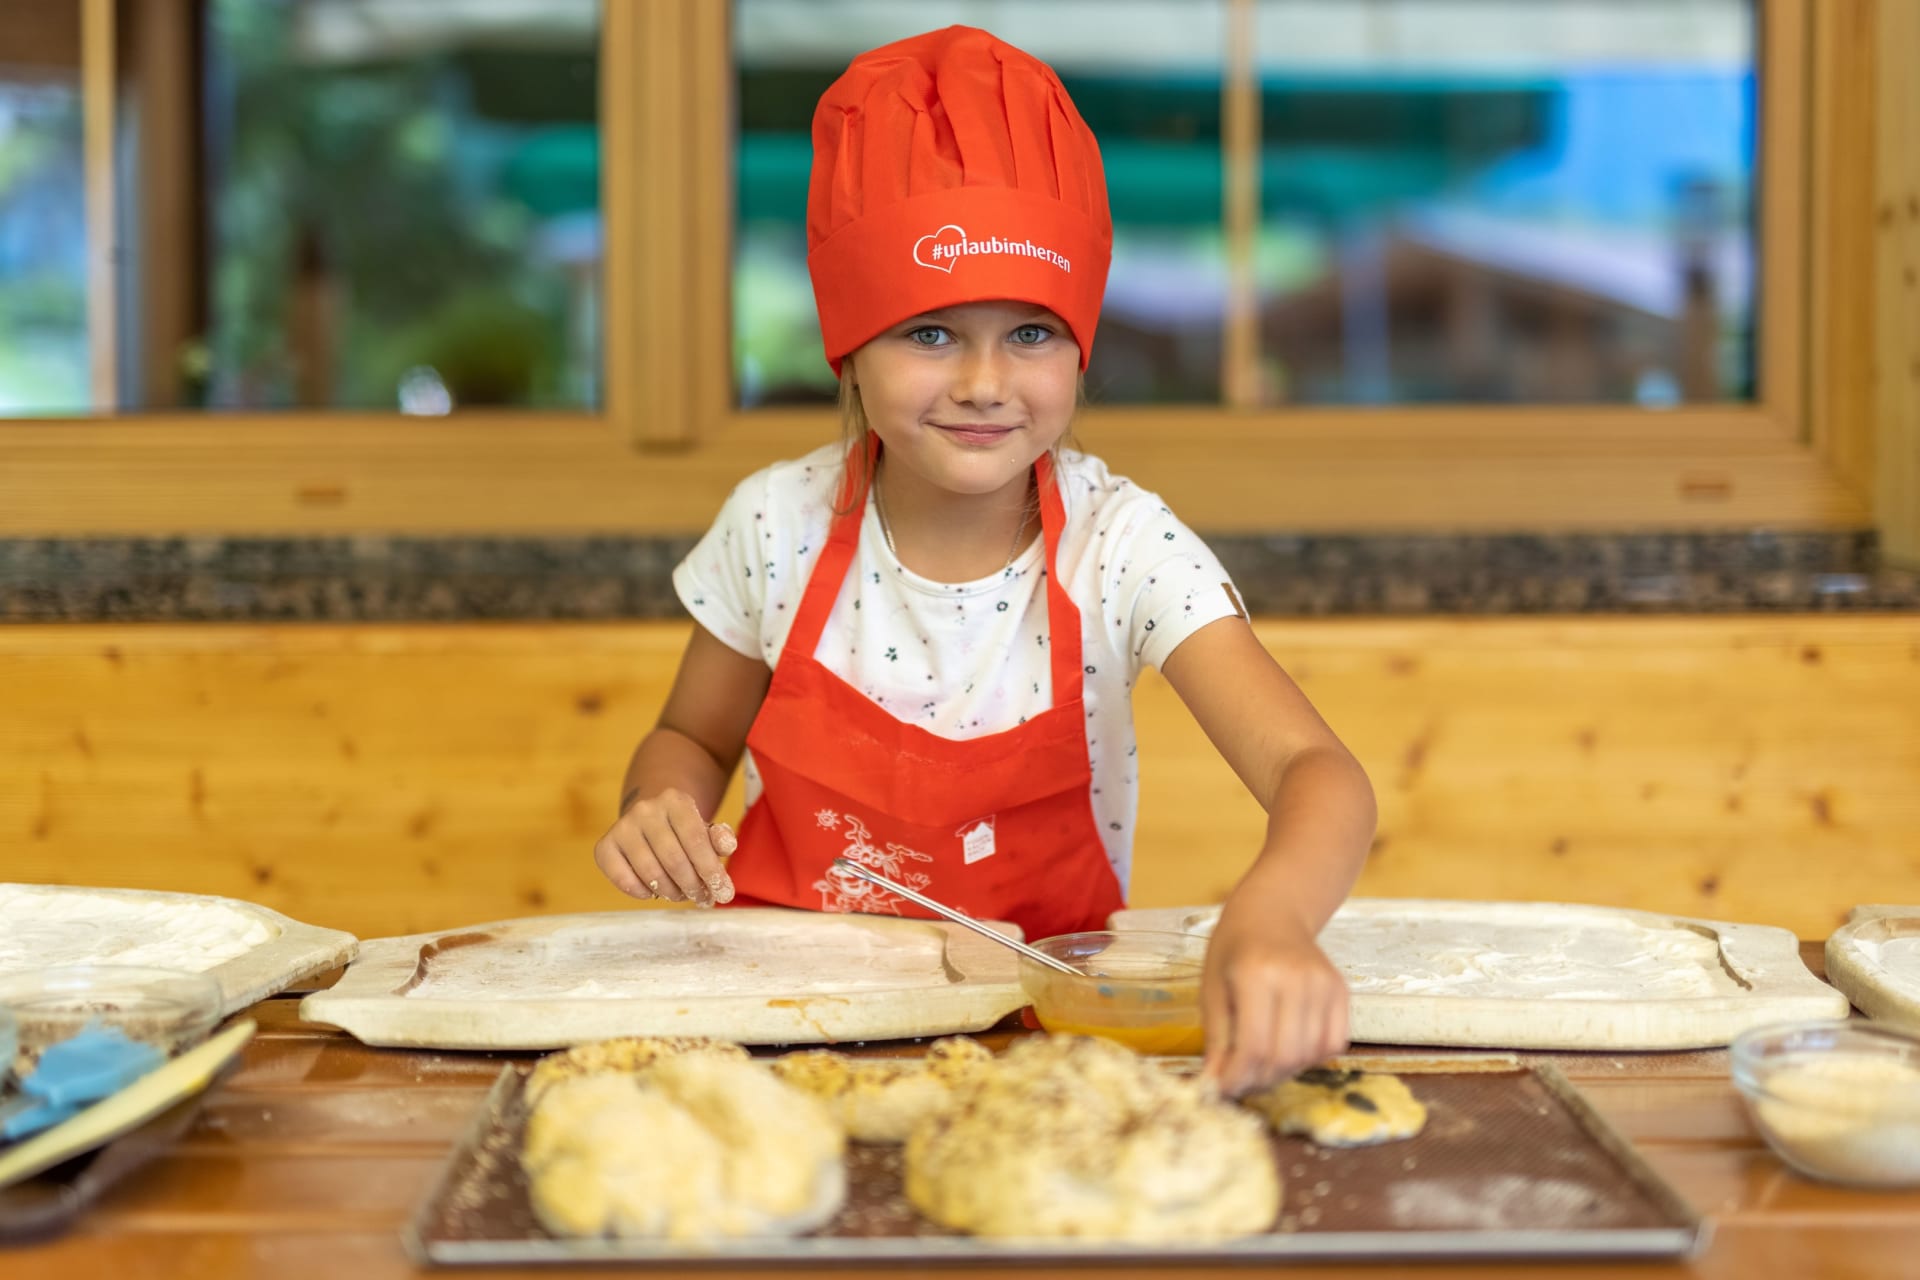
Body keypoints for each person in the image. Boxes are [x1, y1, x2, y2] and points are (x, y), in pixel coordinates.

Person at [593, 25, 1375, 1095]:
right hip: (781, 1045)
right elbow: (689, 738)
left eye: (1031, 333)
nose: (983, 382)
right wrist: (660, 807)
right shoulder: (774, 524)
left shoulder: (1121, 548)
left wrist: (1272, 918)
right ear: (849, 347)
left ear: (1081, 346)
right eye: (929, 333)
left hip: (1038, 1060)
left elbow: (1316, 773)